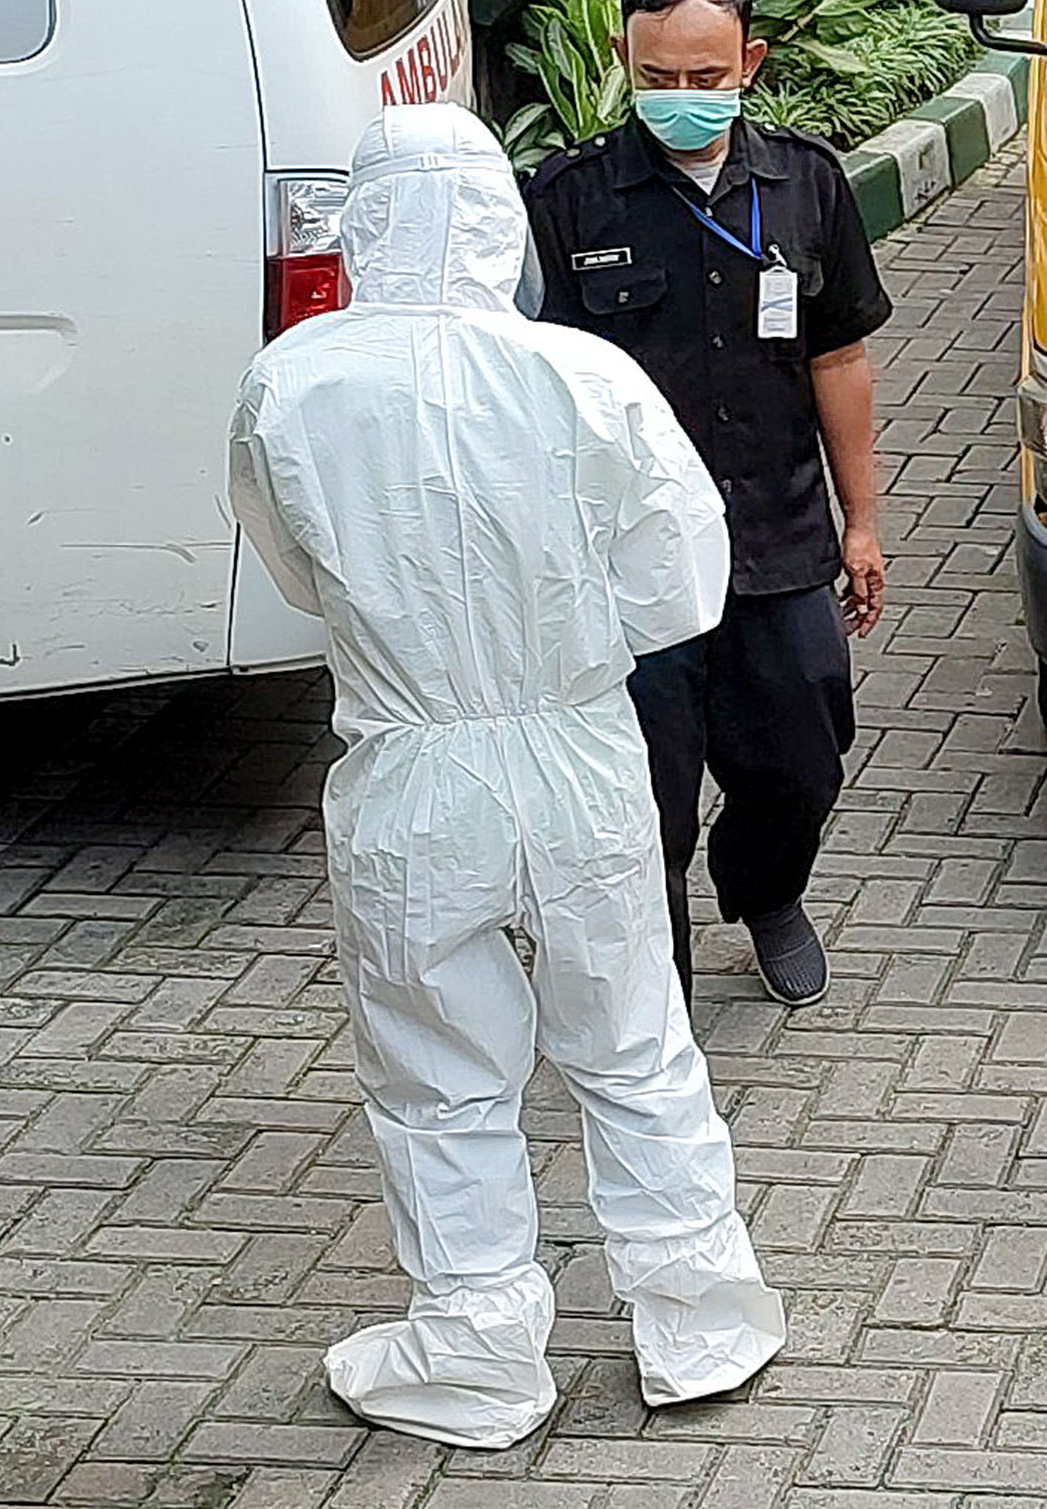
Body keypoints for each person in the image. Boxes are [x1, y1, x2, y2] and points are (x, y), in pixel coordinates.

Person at [226, 107, 785, 1448]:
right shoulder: (584, 378)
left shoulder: (293, 384)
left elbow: (295, 565)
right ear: (497, 222)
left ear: (362, 224)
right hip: (576, 746)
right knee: (635, 1040)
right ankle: (696, 1317)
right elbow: (682, 579)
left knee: (437, 1070)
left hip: (411, 762)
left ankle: (475, 1351)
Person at [526, 0, 895, 1007]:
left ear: (751, 64)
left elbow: (839, 358)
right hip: (628, 557)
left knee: (801, 762)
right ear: (622, 61)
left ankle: (767, 891)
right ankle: (659, 996)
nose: (681, 100)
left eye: (705, 79)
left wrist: (861, 521)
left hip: (774, 538)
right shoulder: (566, 200)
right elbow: (537, 394)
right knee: (649, 793)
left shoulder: (805, 183)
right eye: (658, 77)